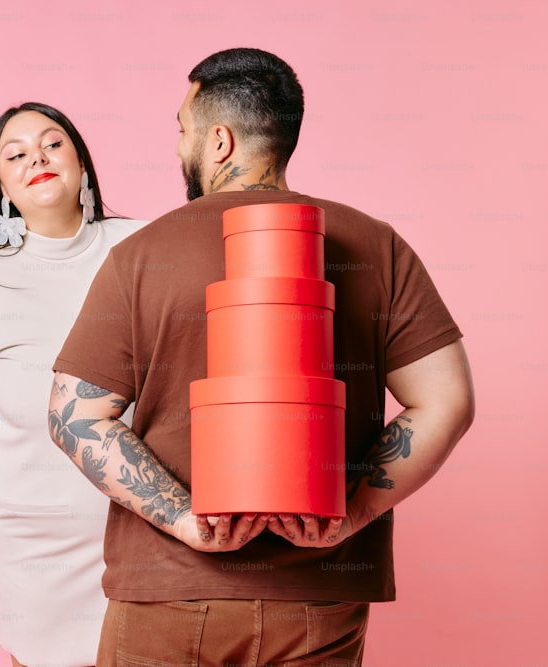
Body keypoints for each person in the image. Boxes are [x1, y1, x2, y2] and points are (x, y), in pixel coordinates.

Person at [48, 48, 475, 666]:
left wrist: (186, 520)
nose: (178, 149)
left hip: (172, 590)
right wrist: (350, 512)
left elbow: (73, 415)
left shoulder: (142, 255)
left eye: (182, 130)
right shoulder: (374, 244)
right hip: (318, 598)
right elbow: (448, 401)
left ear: (218, 141)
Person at [0, 102, 148, 667]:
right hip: (32, 536)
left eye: (52, 143)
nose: (37, 156)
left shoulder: (144, 247)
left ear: (81, 163)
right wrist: (41, 476)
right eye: (16, 153)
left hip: (143, 524)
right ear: (1, 186)